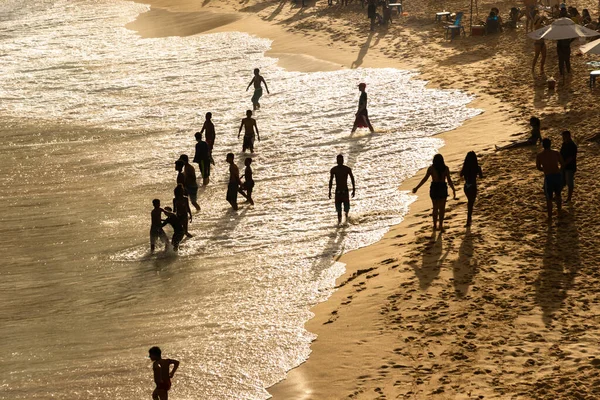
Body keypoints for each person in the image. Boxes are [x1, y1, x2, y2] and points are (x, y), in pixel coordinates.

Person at [412, 154, 456, 232]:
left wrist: (417, 188)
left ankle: (435, 225)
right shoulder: (446, 169)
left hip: (434, 188)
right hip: (442, 188)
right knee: (442, 208)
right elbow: (449, 180)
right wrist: (453, 189)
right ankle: (441, 226)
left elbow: (424, 179)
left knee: (435, 207)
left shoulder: (431, 169)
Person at [536, 138, 564, 221]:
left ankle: (550, 216)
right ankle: (559, 212)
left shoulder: (540, 155)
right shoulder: (556, 153)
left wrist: (544, 169)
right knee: (558, 194)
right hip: (557, 175)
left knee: (549, 198)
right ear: (550, 144)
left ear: (542, 145)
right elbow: (562, 164)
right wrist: (559, 171)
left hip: (549, 177)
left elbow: (538, 167)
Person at [328, 154, 356, 225]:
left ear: (343, 161)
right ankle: (339, 223)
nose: (340, 162)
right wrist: (329, 191)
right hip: (338, 192)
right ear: (337, 161)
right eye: (338, 160)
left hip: (345, 192)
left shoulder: (347, 169)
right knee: (338, 210)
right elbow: (331, 180)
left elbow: (352, 179)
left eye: (341, 160)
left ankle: (346, 221)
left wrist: (354, 189)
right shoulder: (334, 170)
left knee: (346, 209)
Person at [460, 152, 483, 227]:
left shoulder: (465, 167)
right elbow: (481, 176)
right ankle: (468, 220)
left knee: (469, 202)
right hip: (473, 186)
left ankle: (469, 220)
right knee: (471, 203)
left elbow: (461, 175)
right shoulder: (477, 167)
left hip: (466, 186)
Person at [560, 130, 577, 204]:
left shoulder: (572, 145)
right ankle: (558, 195)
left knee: (569, 183)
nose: (563, 138)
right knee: (561, 181)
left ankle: (569, 198)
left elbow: (571, 157)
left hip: (570, 167)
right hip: (563, 166)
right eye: (563, 137)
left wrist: (564, 164)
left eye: (565, 136)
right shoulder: (564, 144)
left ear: (569, 136)